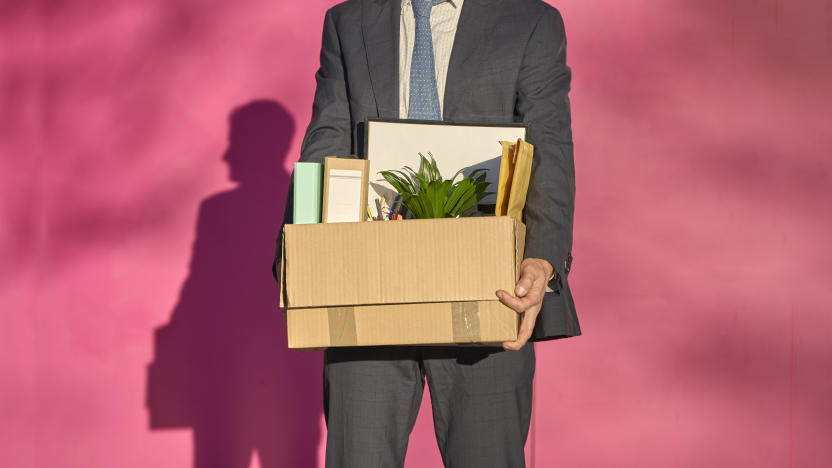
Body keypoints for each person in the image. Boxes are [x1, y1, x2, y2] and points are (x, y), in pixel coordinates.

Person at [274, 0, 580, 466]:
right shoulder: (348, 21)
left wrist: (542, 258)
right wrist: (299, 255)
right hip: (369, 281)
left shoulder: (530, 21)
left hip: (487, 283)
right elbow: (327, 137)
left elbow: (549, 147)